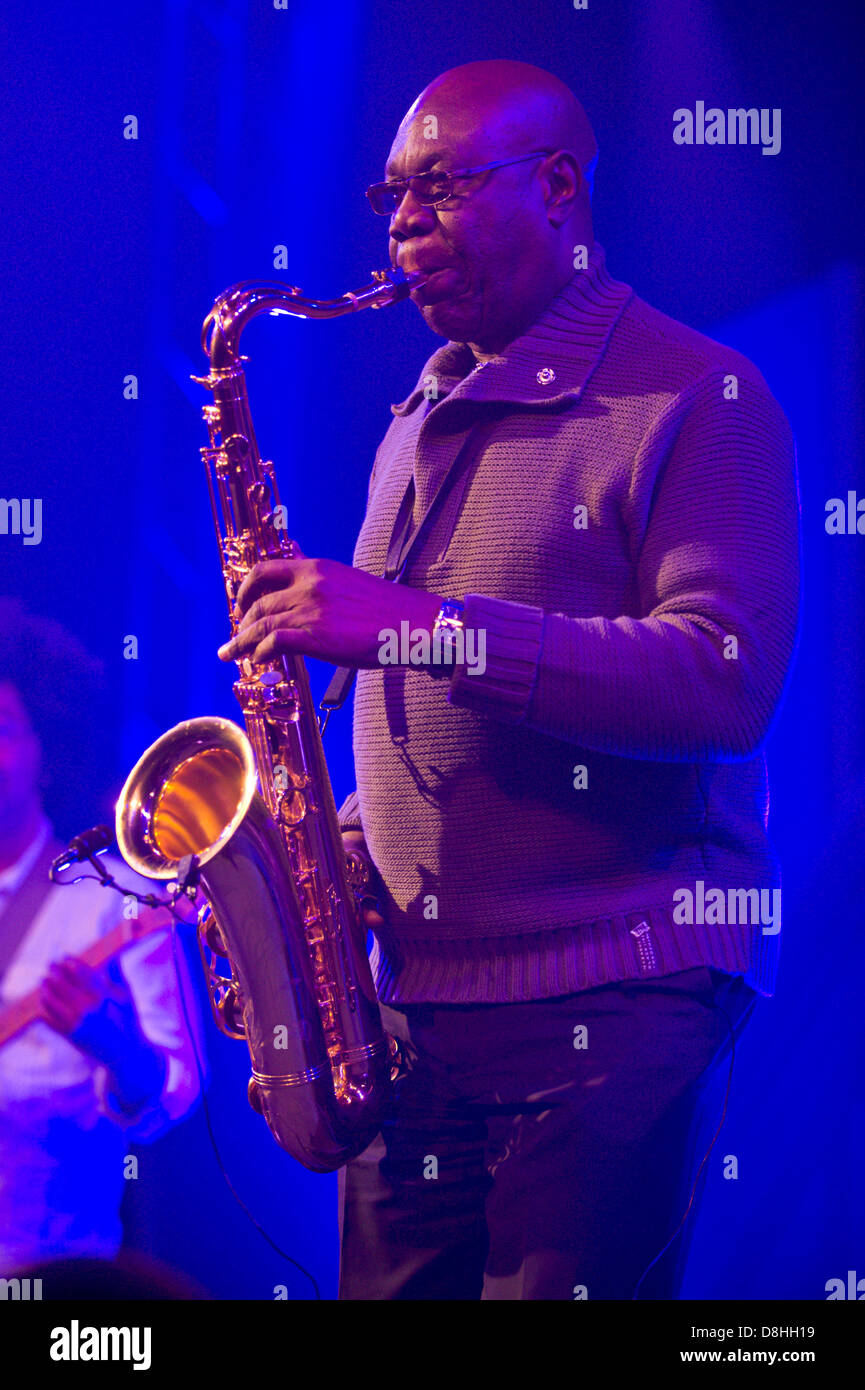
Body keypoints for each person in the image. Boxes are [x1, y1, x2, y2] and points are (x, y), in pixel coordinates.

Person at [218, 60, 800, 1299]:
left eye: (438, 189)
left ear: (555, 189)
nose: (399, 226)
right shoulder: (417, 414)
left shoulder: (701, 394)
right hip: (423, 1016)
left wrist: (412, 627)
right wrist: (333, 855)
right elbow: (422, 700)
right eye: (391, 197)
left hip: (614, 1001)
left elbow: (721, 683)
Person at [0, 600, 204, 1279]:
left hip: (52, 1270)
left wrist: (110, 1041)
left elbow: (173, 1091)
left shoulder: (114, 896)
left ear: (49, 752)